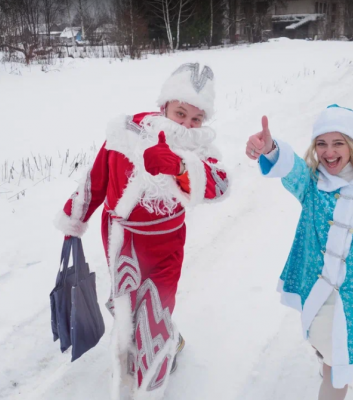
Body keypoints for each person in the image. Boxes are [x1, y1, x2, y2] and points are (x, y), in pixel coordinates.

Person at [54, 62, 229, 400]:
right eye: (181, 113)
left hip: (167, 243)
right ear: (164, 105)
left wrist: (179, 166)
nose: (188, 124)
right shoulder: (126, 133)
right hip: (122, 240)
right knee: (126, 306)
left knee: (157, 311)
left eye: (197, 119)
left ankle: (156, 369)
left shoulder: (197, 147)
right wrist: (74, 221)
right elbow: (95, 181)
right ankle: (141, 345)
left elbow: (220, 185)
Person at [245, 105, 353, 400]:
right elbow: (289, 166)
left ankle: (331, 371)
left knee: (339, 368)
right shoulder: (313, 184)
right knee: (323, 345)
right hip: (317, 286)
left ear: (352, 145)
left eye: (338, 143)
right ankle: (326, 358)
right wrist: (270, 148)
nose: (329, 152)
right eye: (321, 144)